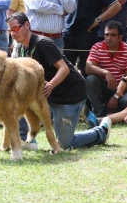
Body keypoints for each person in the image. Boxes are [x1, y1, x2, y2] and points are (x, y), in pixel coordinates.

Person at [9, 12, 112, 150]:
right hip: (47, 95)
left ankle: (101, 131)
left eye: (15, 28)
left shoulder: (43, 43)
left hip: (69, 95)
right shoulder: (20, 48)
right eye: (10, 30)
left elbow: (64, 69)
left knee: (64, 145)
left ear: (27, 25)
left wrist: (51, 85)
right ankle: (28, 140)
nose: (13, 34)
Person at [63, 0, 121, 75]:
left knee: (87, 69)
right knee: (65, 68)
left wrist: (98, 20)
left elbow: (116, 5)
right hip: (67, 34)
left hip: (87, 34)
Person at [85, 21, 127, 118]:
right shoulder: (97, 47)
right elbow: (88, 68)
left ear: (120, 37)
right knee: (90, 79)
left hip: (123, 88)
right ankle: (99, 115)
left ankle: (115, 113)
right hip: (105, 86)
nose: (108, 38)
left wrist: (116, 96)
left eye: (113, 35)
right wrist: (106, 72)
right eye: (106, 35)